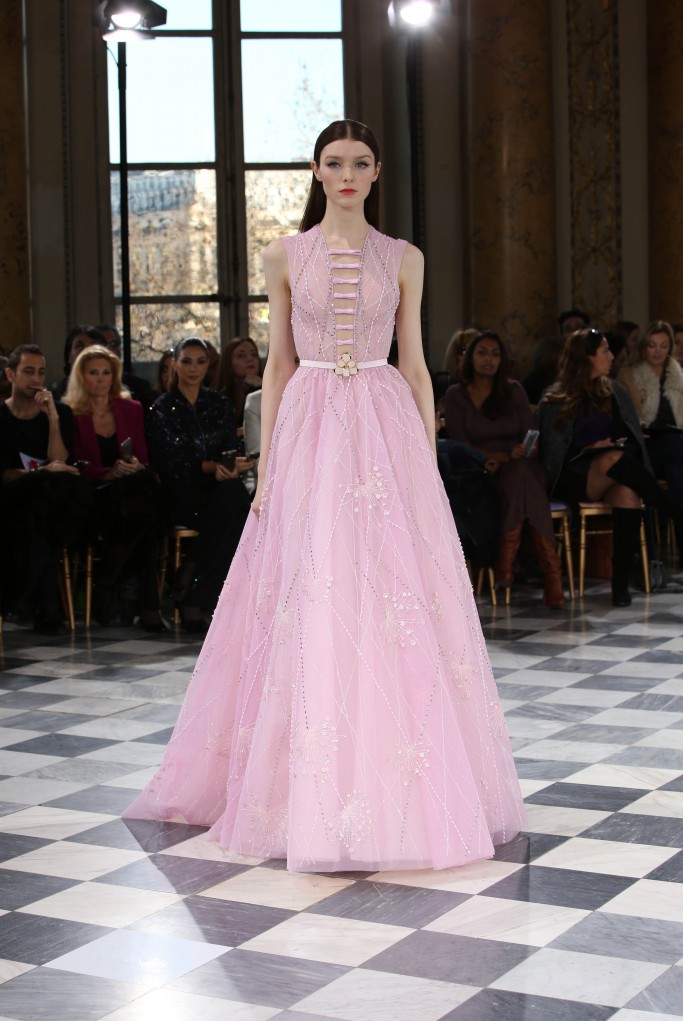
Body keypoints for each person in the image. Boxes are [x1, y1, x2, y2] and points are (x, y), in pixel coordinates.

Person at [124, 119, 525, 872]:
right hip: (310, 426)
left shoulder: (404, 258)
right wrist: (270, 466)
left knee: (388, 588)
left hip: (381, 423)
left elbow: (414, 364)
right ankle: (296, 786)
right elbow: (277, 366)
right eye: (334, 162)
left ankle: (397, 776)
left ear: (376, 172)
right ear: (315, 170)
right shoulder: (285, 254)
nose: (346, 174)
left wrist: (425, 457)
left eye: (360, 163)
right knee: (309, 585)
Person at [537, 328, 683, 606]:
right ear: (587, 357)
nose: (612, 356)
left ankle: (620, 584)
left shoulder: (614, 391)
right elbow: (552, 453)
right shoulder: (556, 396)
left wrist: (616, 444)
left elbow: (632, 439)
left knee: (628, 494)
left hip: (613, 469)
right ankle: (674, 511)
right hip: (572, 475)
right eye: (605, 351)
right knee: (612, 458)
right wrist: (589, 449)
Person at [444, 332, 564, 607]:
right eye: (482, 352)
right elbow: (459, 444)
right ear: (470, 357)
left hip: (519, 466)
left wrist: (524, 451)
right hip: (480, 472)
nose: (489, 359)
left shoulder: (514, 391)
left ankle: (506, 562)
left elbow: (532, 436)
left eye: (495, 354)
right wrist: (500, 456)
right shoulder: (456, 395)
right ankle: (551, 576)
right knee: (523, 483)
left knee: (521, 475)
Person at [146, 337, 254, 631]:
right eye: (186, 362)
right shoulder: (162, 407)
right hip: (178, 491)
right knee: (233, 513)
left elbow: (231, 446)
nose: (193, 369)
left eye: (200, 362)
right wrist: (211, 466)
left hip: (215, 489)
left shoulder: (219, 404)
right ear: (174, 364)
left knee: (236, 498)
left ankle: (189, 575)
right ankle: (195, 594)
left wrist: (232, 465)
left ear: (209, 366)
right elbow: (168, 461)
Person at [64, 345, 167, 631]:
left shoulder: (131, 409)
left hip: (131, 494)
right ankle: (146, 605)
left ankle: (108, 580)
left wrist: (132, 466)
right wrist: (108, 473)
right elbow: (76, 465)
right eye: (93, 373)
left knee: (141, 488)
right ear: (81, 376)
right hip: (96, 496)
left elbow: (143, 458)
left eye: (106, 373)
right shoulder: (71, 413)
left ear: (114, 376)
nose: (100, 379)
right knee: (146, 518)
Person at [0, 344, 91, 632]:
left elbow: (60, 460)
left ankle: (32, 600)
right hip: (12, 500)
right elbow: (4, 475)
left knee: (52, 502)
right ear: (10, 375)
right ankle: (46, 604)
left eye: (41, 372)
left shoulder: (59, 412)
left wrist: (52, 418)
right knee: (47, 503)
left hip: (49, 502)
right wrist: (39, 473)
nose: (36, 379)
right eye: (28, 372)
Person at [618, 320, 683, 563]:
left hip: (675, 446)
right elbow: (624, 417)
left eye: (663, 346)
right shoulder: (628, 376)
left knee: (676, 472)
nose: (657, 351)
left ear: (670, 348)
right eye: (652, 345)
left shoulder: (679, 376)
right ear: (644, 346)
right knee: (671, 445)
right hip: (645, 446)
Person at [97, 323, 155, 406]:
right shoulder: (85, 386)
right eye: (103, 345)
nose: (108, 349)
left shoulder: (141, 388)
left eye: (113, 344)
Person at [216, 336, 263, 428]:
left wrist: (260, 388)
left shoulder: (267, 390)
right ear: (229, 363)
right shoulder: (219, 399)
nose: (250, 358)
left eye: (254, 354)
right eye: (241, 355)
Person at [52, 325, 105, 400]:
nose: (86, 351)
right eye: (80, 346)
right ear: (69, 356)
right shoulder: (56, 393)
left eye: (92, 346)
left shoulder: (112, 389)